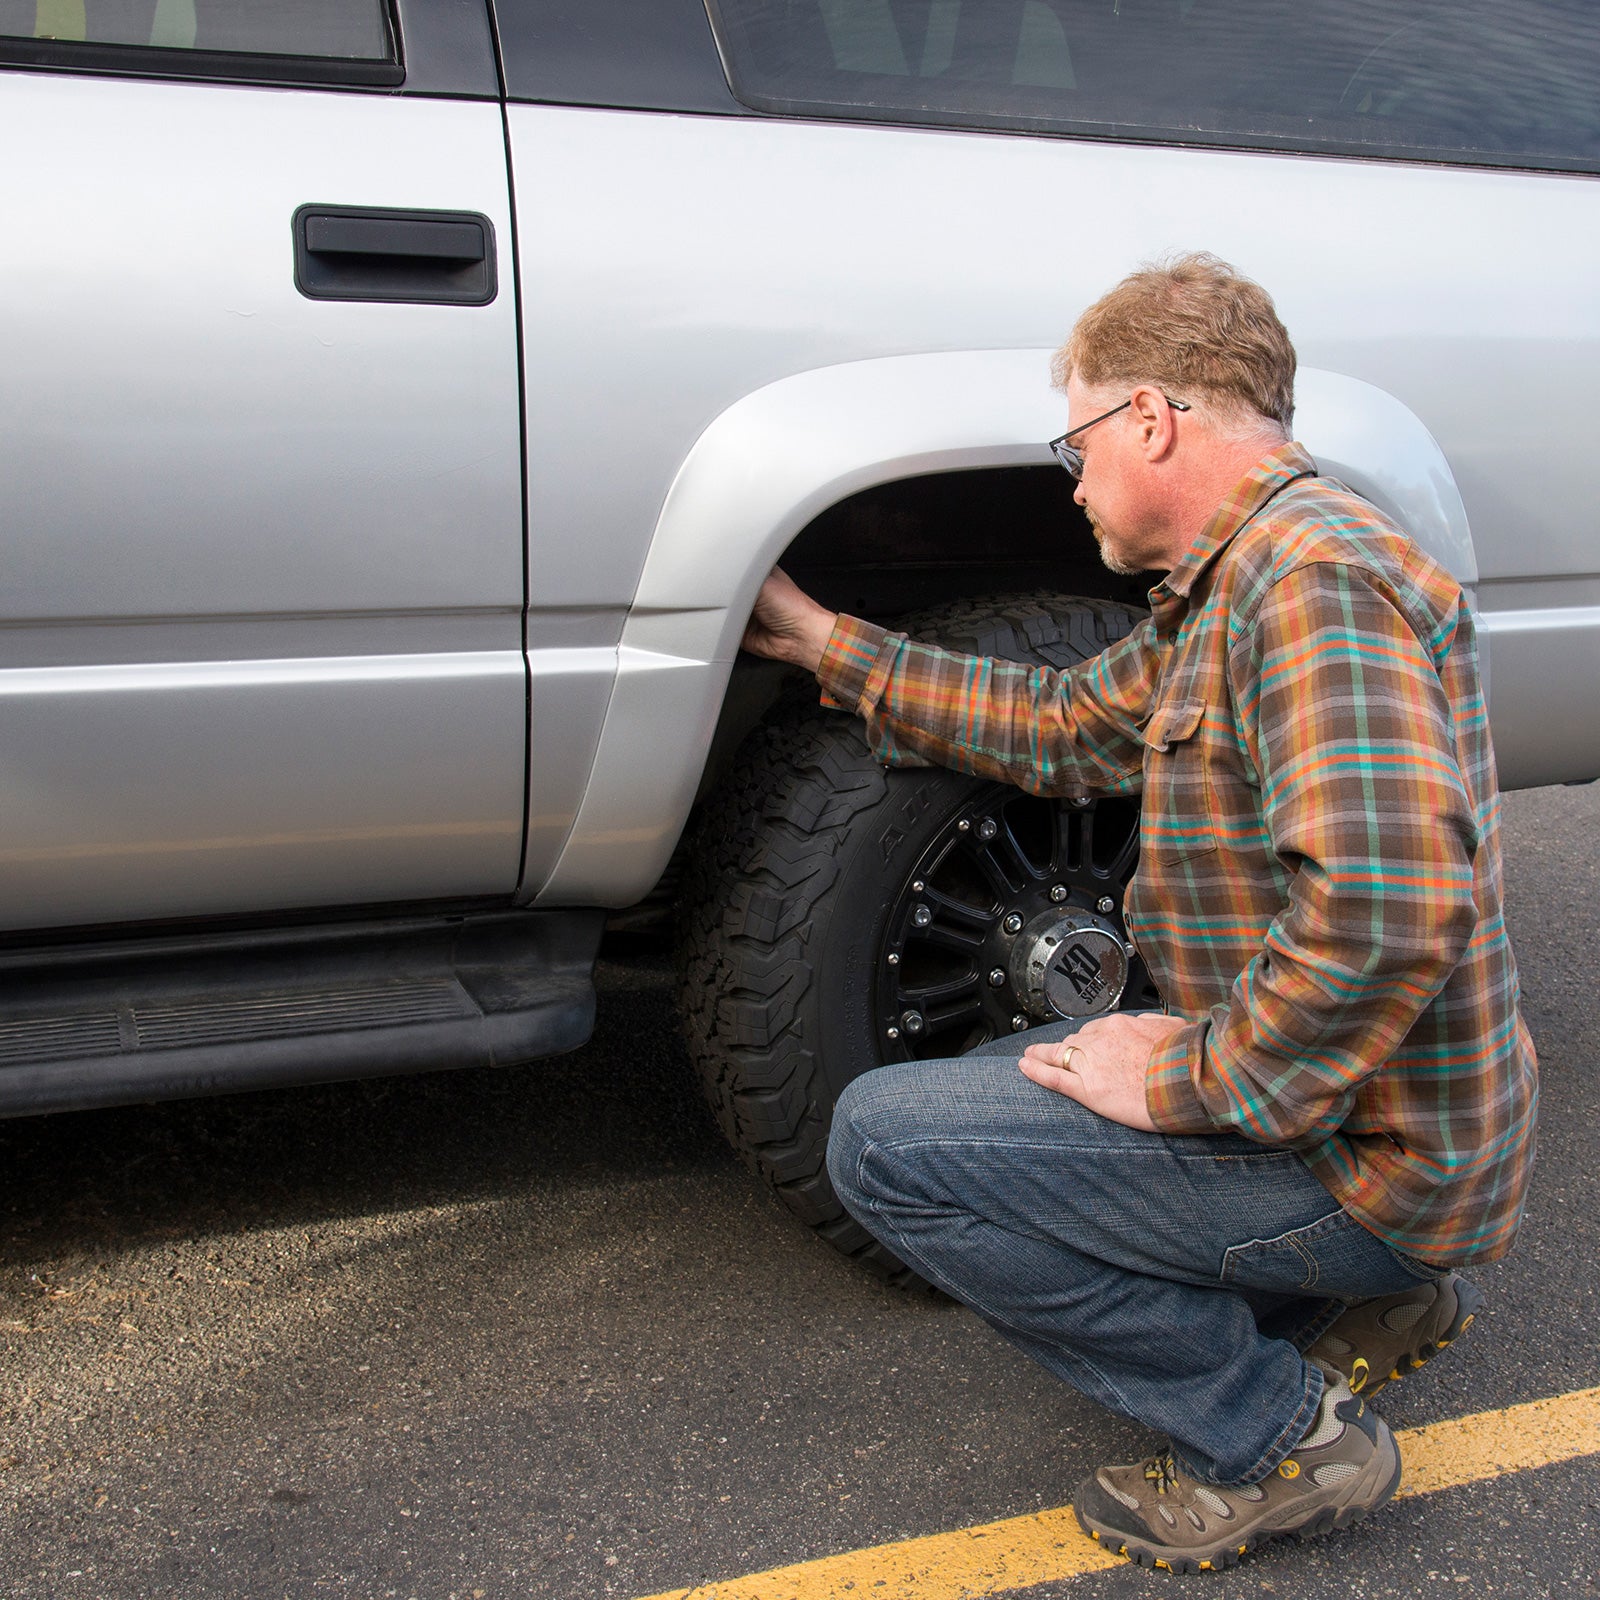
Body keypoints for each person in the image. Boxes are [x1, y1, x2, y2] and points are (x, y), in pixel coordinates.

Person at [738, 253, 1537, 1573]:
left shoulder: (1307, 584)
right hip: (1388, 1125)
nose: (1074, 480)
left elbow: (1389, 905)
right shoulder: (1247, 581)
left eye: (1079, 440)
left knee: (887, 1143)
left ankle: (1279, 1436)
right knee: (1015, 1076)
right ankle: (1377, 1301)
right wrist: (833, 647)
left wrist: (1197, 1081)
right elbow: (1063, 727)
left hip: (1375, 1159)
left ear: (1153, 420)